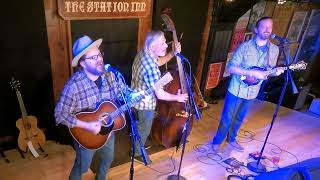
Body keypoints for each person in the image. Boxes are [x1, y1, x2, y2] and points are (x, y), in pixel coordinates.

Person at [54, 35, 138, 180]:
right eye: (93, 58)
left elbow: (123, 91)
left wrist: (134, 95)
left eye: (99, 54)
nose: (99, 59)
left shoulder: (110, 76)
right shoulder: (73, 86)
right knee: (82, 166)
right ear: (82, 63)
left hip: (108, 130)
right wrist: (87, 125)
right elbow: (59, 115)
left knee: (108, 159)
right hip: (86, 135)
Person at [212, 17, 284, 153]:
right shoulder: (245, 47)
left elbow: (268, 72)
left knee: (240, 118)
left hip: (253, 91)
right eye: (264, 26)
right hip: (236, 89)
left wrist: (276, 72)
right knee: (227, 118)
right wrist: (252, 72)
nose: (267, 30)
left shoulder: (274, 50)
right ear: (256, 30)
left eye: (270, 27)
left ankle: (231, 139)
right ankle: (217, 141)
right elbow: (231, 67)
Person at [130, 30, 189, 163]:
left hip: (136, 97)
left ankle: (138, 145)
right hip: (144, 104)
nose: (166, 45)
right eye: (162, 43)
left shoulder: (144, 53)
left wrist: (172, 54)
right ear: (152, 46)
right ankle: (137, 153)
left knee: (141, 126)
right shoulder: (150, 66)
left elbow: (158, 62)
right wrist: (177, 98)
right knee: (143, 128)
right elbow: (160, 94)